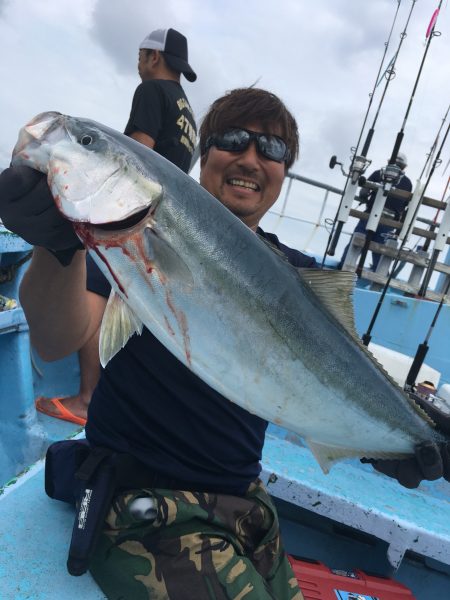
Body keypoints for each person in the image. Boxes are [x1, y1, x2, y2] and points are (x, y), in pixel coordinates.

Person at [0, 88, 448, 598]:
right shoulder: (120, 238)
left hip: (247, 505)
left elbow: (336, 381)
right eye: (234, 140)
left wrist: (406, 436)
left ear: (284, 170)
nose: (252, 158)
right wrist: (56, 246)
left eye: (272, 149)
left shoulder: (301, 277)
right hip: (143, 504)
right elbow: (58, 342)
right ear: (204, 153)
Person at [34, 27, 197, 427]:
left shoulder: (151, 92)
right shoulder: (187, 112)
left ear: (153, 57)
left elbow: (133, 156)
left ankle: (89, 399)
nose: (138, 63)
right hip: (162, 227)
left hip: (131, 219)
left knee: (94, 281)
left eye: (142, 55)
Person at [339, 153, 412, 271]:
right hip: (389, 223)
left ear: (389, 161)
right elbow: (404, 208)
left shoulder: (378, 173)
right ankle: (377, 280)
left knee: (355, 244)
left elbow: (363, 193)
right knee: (380, 253)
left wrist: (365, 198)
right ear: (404, 167)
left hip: (369, 216)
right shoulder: (408, 183)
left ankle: (342, 268)